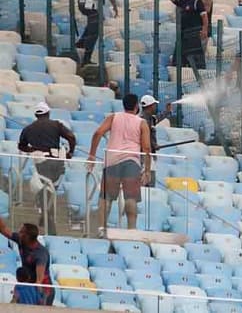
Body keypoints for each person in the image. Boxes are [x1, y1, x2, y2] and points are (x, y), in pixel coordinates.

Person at [88, 94, 152, 236]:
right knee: (131, 197)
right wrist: (147, 170)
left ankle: (101, 229)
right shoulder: (141, 123)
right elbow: (147, 148)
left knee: (107, 197)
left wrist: (91, 154)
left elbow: (98, 133)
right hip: (131, 160)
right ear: (136, 107)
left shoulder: (113, 117)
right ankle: (131, 230)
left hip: (112, 159)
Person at [18, 102, 76, 235]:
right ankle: (47, 218)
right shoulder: (56, 125)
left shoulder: (28, 128)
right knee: (49, 190)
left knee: (44, 190)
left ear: (35, 115)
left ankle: (47, 217)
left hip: (41, 162)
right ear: (48, 113)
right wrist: (70, 153)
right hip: (56, 162)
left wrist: (32, 149)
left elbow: (21, 146)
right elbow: (71, 137)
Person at [151, 0, 208, 69]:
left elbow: (204, 16)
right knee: (178, 62)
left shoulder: (196, 1)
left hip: (193, 36)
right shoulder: (180, 0)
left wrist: (205, 29)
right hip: (181, 36)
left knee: (196, 63)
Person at [0, 219, 54, 305]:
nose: (18, 233)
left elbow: (39, 281)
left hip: (43, 290)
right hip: (29, 285)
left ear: (28, 236)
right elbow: (3, 229)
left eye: (21, 232)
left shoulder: (40, 254)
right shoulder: (22, 241)